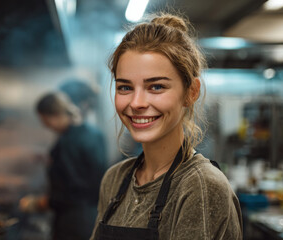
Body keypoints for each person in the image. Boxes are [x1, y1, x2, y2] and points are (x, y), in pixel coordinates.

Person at [90, 13, 242, 240]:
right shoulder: (114, 180)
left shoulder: (200, 186)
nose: (137, 103)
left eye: (157, 87)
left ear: (191, 92)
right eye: (125, 88)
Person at [21, 92, 107, 240]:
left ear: (53, 116)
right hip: (95, 215)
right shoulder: (93, 133)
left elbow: (72, 191)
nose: (45, 125)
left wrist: (40, 203)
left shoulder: (68, 142)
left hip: (73, 222)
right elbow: (86, 172)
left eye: (44, 120)